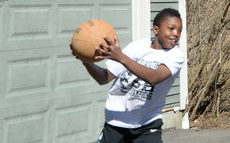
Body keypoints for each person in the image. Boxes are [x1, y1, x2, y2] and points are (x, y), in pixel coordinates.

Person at [70, 8, 186, 143]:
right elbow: (104, 78)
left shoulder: (175, 56)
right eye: (171, 28)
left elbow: (154, 77)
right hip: (115, 121)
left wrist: (120, 57)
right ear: (156, 29)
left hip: (147, 124)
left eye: (179, 30)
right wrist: (85, 61)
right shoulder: (137, 46)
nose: (176, 34)